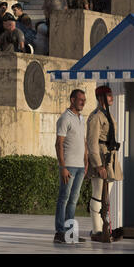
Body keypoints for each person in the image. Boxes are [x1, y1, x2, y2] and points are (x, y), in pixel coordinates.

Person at [87, 86, 124, 242]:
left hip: (110, 159)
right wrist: (98, 165)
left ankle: (105, 228)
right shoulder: (96, 116)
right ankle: (97, 230)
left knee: (106, 197)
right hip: (102, 160)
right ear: (101, 98)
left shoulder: (107, 115)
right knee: (97, 195)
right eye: (109, 95)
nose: (112, 98)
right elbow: (92, 142)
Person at [54, 89, 88, 243]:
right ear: (72, 100)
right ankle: (60, 232)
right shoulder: (64, 118)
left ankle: (69, 233)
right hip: (69, 166)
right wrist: (63, 167)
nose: (83, 102)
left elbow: (84, 142)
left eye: (84, 100)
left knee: (73, 200)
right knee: (64, 199)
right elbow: (58, 144)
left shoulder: (81, 119)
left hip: (80, 167)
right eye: (80, 99)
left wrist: (86, 161)